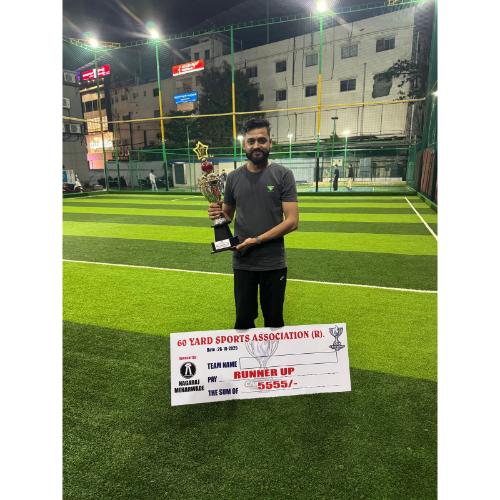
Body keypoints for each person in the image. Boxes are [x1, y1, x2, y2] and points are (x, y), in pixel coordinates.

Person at [208, 117, 299, 329]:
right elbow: (227, 215)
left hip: (273, 263)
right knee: (243, 321)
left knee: (274, 322)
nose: (256, 145)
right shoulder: (233, 177)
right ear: (244, 145)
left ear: (270, 143)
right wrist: (217, 213)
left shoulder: (283, 175)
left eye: (262, 140)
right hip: (243, 262)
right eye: (251, 141)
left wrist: (256, 240)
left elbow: (292, 221)